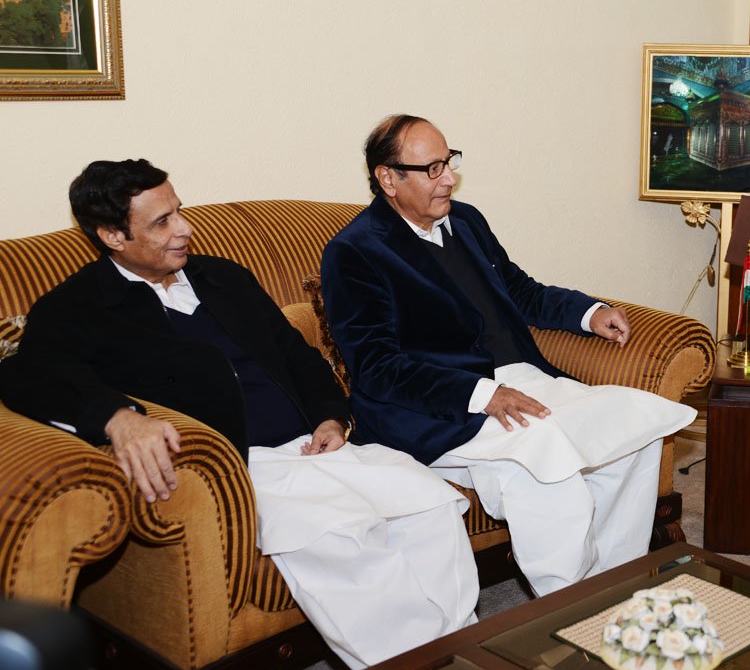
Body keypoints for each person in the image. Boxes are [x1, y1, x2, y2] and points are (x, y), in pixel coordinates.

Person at [0, 160, 478, 669]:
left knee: (430, 506)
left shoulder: (222, 276)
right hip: (242, 464)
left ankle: (463, 651)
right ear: (113, 235)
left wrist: (329, 417)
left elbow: (295, 354)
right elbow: (24, 378)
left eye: (178, 211)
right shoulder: (78, 307)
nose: (184, 229)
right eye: (162, 222)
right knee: (341, 535)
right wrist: (117, 416)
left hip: (317, 447)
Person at [320, 114, 696, 597]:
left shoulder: (467, 220)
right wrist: (483, 393)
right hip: (441, 409)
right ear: (388, 178)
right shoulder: (355, 252)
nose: (449, 178)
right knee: (543, 455)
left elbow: (519, 290)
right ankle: (567, 604)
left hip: (521, 378)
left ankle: (614, 587)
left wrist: (588, 312)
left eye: (448, 161)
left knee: (634, 423)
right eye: (432, 169)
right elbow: (375, 366)